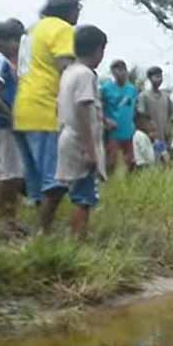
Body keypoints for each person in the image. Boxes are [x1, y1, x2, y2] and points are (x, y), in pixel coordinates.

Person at [13, 0, 80, 227]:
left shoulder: (32, 31)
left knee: (39, 184)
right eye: (78, 7)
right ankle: (42, 235)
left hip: (23, 110)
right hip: (46, 111)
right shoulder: (62, 29)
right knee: (56, 183)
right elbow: (66, 69)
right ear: (69, 8)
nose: (79, 12)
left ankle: (40, 233)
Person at [55, 25, 107, 238]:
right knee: (83, 197)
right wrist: (89, 150)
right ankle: (78, 240)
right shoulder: (85, 75)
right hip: (79, 141)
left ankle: (78, 237)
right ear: (97, 50)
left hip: (68, 136)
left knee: (78, 193)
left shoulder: (69, 72)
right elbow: (82, 109)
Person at [0, 20, 26, 234]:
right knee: (9, 174)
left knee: (14, 173)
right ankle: (1, 222)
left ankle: (10, 219)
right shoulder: (0, 61)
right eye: (13, 40)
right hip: (2, 125)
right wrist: (12, 117)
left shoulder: (6, 62)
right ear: (1, 41)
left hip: (5, 125)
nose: (16, 45)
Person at [101, 60, 138, 174]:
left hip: (128, 131)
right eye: (117, 69)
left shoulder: (132, 89)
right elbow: (97, 108)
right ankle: (109, 185)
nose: (121, 73)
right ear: (112, 72)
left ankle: (130, 186)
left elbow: (134, 108)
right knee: (111, 163)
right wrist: (105, 120)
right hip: (113, 132)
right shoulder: (105, 89)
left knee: (131, 162)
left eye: (123, 69)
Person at [137, 66, 173, 148]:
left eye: (160, 77)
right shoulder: (143, 96)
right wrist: (150, 131)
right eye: (156, 77)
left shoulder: (166, 96)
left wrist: (169, 127)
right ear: (150, 78)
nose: (159, 79)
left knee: (166, 158)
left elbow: (170, 114)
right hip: (150, 136)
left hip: (165, 135)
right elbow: (142, 116)